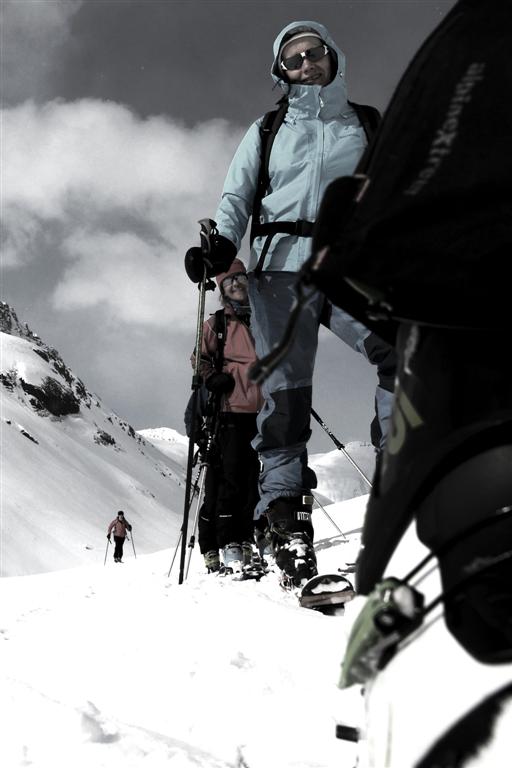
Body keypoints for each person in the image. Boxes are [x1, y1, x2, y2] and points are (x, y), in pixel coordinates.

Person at [185, 21, 396, 587]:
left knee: (404, 352)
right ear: (280, 71)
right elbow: (237, 194)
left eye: (314, 52)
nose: (306, 63)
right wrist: (220, 246)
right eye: (294, 58)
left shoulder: (367, 124)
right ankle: (286, 522)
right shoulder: (267, 129)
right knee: (285, 394)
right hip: (279, 270)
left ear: (333, 55)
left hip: (350, 265)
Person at [188, 258, 264, 574]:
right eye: (228, 281)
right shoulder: (216, 325)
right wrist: (211, 378)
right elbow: (198, 358)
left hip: (261, 411)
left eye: (239, 278)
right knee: (230, 478)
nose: (235, 284)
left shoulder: (263, 318)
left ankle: (245, 538)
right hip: (229, 410)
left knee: (252, 481)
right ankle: (228, 540)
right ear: (222, 290)